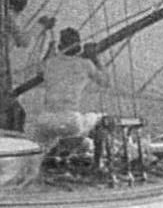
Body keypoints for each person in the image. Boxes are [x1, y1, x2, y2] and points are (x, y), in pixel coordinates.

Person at [30, 28, 116, 166]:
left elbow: (40, 68)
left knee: (39, 151)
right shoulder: (85, 64)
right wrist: (95, 58)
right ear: (78, 46)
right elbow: (106, 82)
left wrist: (50, 48)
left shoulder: (51, 63)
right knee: (104, 120)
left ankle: (53, 156)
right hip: (70, 121)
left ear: (60, 46)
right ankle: (97, 165)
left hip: (45, 121)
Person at [5, 0, 56, 76]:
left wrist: (43, 27)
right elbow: (23, 42)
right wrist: (40, 25)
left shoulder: (17, 17)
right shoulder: (8, 16)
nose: (24, 1)